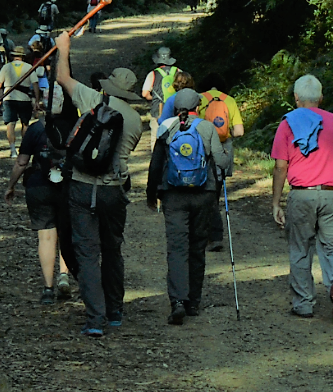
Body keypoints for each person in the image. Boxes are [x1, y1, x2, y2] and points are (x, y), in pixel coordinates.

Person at [54, 31, 143, 337]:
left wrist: (63, 48)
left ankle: (95, 319)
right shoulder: (136, 120)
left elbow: (62, 78)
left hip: (81, 185)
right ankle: (115, 312)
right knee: (113, 249)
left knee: (87, 253)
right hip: (114, 191)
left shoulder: (94, 100)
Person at [271, 74, 333, 321]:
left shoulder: (287, 124)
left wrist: (276, 202)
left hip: (302, 195)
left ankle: (303, 304)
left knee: (300, 248)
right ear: (321, 98)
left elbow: (280, 166)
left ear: (296, 98)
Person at [147, 89, 230, 325]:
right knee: (197, 247)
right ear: (198, 107)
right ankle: (194, 301)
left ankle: (178, 301)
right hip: (204, 194)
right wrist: (226, 157)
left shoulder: (166, 128)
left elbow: (155, 166)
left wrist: (151, 194)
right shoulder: (206, 128)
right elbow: (221, 162)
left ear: (175, 107)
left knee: (177, 248)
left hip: (173, 195)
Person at [4, 114, 72, 305]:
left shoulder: (35, 129)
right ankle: (64, 276)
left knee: (46, 237)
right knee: (66, 233)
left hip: (39, 186)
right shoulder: (76, 125)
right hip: (68, 186)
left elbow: (21, 162)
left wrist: (11, 185)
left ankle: (48, 288)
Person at [197, 73, 244, 252]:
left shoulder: (199, 99)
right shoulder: (229, 100)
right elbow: (239, 131)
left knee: (204, 192)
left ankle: (211, 234)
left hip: (204, 149)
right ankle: (213, 233)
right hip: (224, 150)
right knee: (215, 191)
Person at [0, 46, 40, 157]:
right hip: (24, 99)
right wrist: (37, 100)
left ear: (13, 56)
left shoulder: (6, 67)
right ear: (23, 57)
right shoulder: (29, 67)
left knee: (10, 124)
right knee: (25, 124)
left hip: (9, 99)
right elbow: (35, 85)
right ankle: (24, 148)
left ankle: (13, 149)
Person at [141, 47, 183, 150]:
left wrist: (154, 98)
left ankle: (157, 162)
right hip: (176, 110)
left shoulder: (153, 74)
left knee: (156, 137)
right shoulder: (178, 71)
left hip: (158, 111)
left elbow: (145, 94)